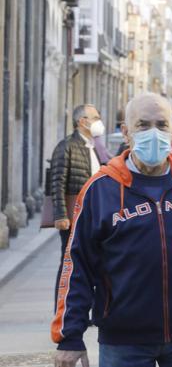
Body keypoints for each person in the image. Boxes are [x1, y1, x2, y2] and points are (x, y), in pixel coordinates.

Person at [51, 93, 172, 367]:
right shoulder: (99, 190)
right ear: (126, 132)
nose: (154, 133)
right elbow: (77, 266)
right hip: (123, 343)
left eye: (162, 125)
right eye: (143, 125)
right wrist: (70, 336)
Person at [50, 104, 106, 307]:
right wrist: (60, 215)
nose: (99, 122)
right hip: (73, 216)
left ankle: (88, 305)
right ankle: (61, 307)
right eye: (95, 117)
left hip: (94, 214)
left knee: (94, 262)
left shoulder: (94, 146)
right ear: (82, 121)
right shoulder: (66, 146)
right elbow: (57, 182)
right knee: (69, 263)